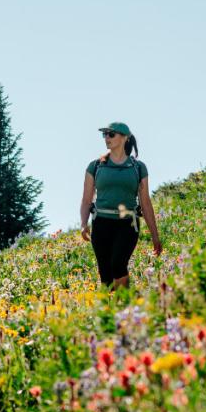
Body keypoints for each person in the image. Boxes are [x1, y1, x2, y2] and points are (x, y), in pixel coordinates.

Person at [80, 121, 162, 288]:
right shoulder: (96, 166)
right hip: (101, 224)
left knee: (118, 265)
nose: (107, 138)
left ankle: (126, 304)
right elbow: (86, 199)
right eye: (105, 134)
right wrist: (83, 224)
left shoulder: (138, 168)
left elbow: (145, 202)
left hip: (128, 224)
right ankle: (113, 310)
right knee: (106, 276)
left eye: (111, 134)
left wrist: (155, 235)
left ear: (125, 138)